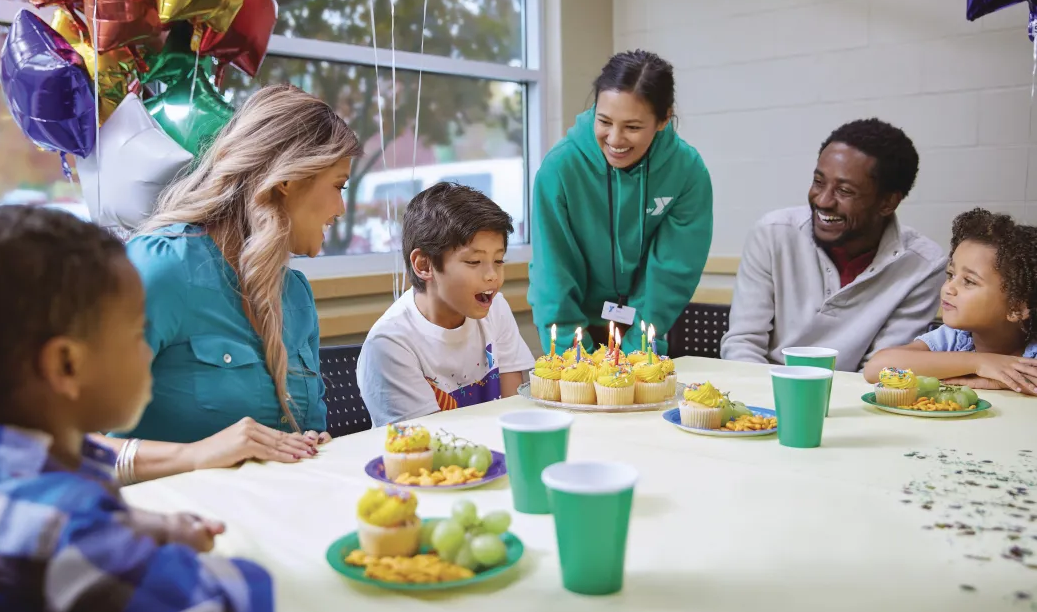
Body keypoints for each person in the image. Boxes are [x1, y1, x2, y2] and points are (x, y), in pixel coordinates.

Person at [0, 206, 273, 612]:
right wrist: (253, 572)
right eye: (137, 333)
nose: (147, 350)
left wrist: (156, 527)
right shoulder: (78, 537)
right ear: (66, 364)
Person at [103, 84, 362, 483]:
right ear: (287, 180)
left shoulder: (294, 295)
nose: (341, 209)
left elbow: (305, 433)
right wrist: (195, 455)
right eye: (338, 185)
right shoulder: (162, 269)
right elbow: (55, 443)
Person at [720, 118, 947, 372]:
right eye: (819, 182)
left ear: (887, 203)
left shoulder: (924, 265)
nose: (824, 201)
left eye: (845, 191)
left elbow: (880, 371)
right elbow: (743, 344)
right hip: (765, 394)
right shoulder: (772, 234)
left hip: (851, 403)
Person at [528, 50, 713, 355]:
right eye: (604, 121)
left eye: (632, 127)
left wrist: (634, 353)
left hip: (643, 331)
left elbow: (672, 273)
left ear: (664, 119)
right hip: (574, 331)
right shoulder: (560, 169)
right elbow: (553, 274)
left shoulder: (687, 172)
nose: (615, 139)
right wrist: (575, 357)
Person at [357, 183, 535, 425]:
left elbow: (515, 412)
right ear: (424, 265)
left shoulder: (496, 308)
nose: (492, 276)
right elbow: (430, 445)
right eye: (474, 261)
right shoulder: (391, 344)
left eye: (499, 260)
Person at [864, 208, 1037, 394]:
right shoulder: (954, 337)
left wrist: (1003, 382)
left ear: (1016, 308)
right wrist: (979, 363)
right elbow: (876, 368)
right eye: (950, 274)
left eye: (969, 281)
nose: (948, 288)